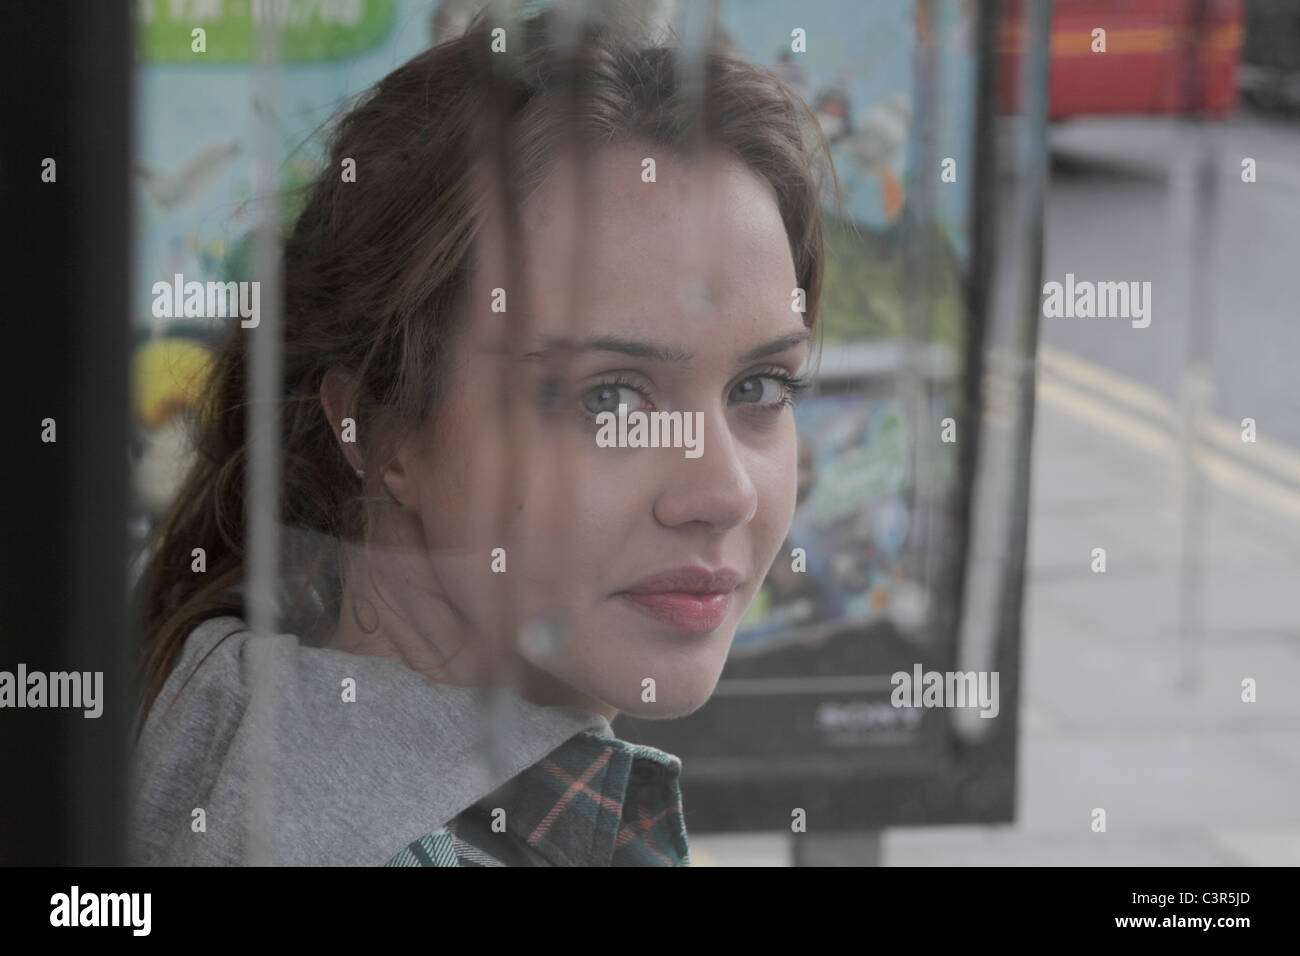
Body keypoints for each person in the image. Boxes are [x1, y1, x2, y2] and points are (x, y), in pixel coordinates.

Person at [128, 4, 836, 867]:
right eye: (609, 399)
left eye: (761, 387)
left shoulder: (214, 699)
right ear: (372, 429)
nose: (725, 491)